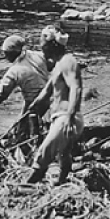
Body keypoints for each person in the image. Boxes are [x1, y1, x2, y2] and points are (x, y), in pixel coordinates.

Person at [26, 25, 84, 185]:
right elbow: (46, 92)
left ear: (52, 45)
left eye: (43, 44)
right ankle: (62, 181)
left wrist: (70, 117)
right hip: (60, 117)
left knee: (45, 151)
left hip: (66, 118)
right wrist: (33, 107)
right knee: (63, 153)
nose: (41, 48)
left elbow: (75, 88)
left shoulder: (68, 61)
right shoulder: (58, 65)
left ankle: (29, 183)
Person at [0, 35, 51, 150]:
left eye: (6, 53)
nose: (5, 56)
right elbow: (55, 63)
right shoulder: (38, 55)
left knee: (22, 133)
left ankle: (30, 151)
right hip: (52, 95)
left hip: (35, 104)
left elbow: (1, 94)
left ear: (12, 53)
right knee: (23, 127)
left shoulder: (14, 71)